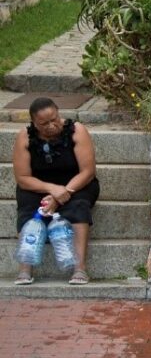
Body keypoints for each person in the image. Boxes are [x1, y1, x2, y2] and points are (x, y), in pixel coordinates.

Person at [13, 97, 100, 285]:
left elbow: (88, 172)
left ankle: (80, 269)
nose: (51, 125)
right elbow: (22, 178)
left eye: (54, 119)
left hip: (76, 184)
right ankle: (25, 268)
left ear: (58, 112)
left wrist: (62, 195)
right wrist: (51, 189)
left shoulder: (77, 131)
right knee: (27, 206)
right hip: (39, 186)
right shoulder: (25, 137)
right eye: (44, 123)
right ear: (34, 123)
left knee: (78, 207)